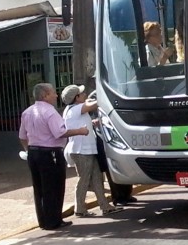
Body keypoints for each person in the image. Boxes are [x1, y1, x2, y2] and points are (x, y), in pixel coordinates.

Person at [18, 83, 89, 230]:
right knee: (54, 187)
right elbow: (60, 133)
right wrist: (80, 131)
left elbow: (22, 136)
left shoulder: (27, 112)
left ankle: (44, 221)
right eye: (53, 93)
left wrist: (28, 150)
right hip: (50, 153)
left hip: (33, 153)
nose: (56, 95)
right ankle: (54, 220)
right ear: (45, 96)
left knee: (39, 189)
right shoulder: (49, 112)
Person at [62, 84, 122, 217]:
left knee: (96, 179)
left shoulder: (73, 109)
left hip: (87, 150)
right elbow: (95, 103)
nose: (84, 95)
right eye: (81, 94)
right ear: (76, 98)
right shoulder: (77, 108)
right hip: (81, 151)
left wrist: (92, 122)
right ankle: (80, 208)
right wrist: (106, 92)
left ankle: (105, 205)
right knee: (84, 179)